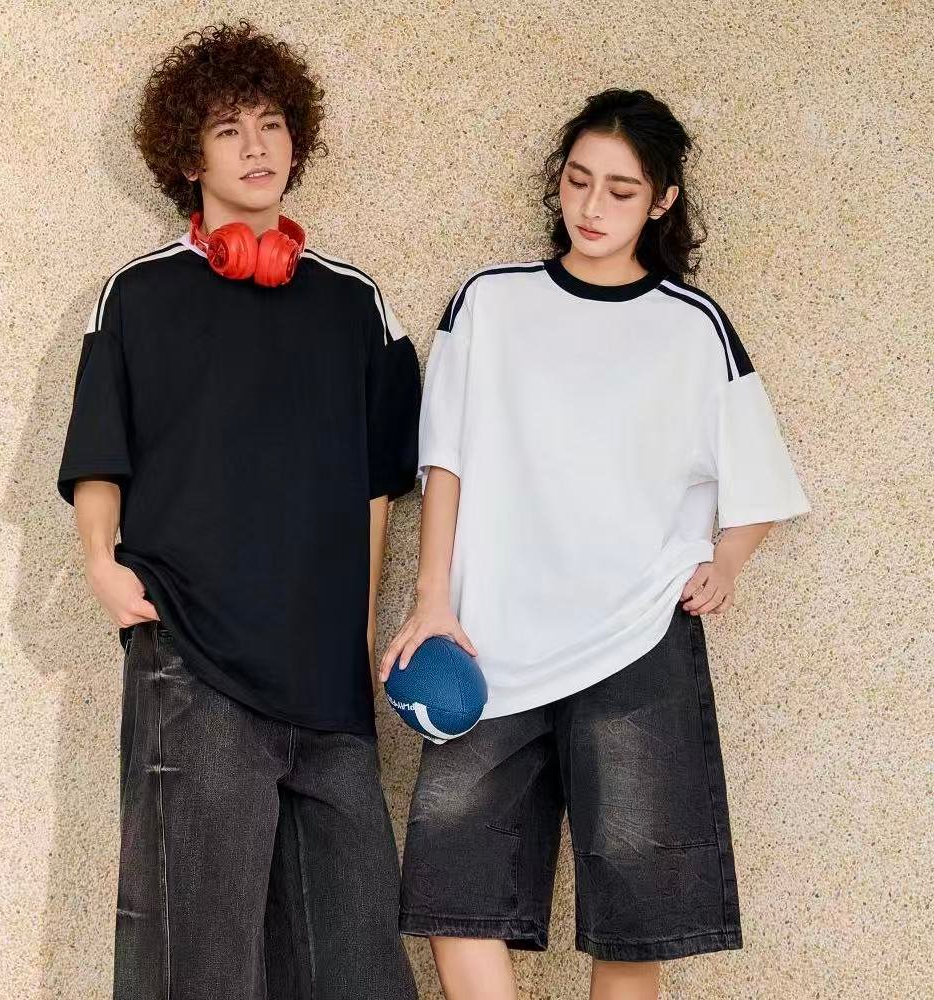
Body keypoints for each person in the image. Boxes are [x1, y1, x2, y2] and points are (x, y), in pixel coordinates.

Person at [379, 88, 810, 1000]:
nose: (592, 206)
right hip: (489, 641)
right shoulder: (491, 301)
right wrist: (431, 598)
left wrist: (726, 563)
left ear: (661, 201)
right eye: (578, 181)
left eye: (621, 190)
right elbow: (444, 461)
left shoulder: (692, 326)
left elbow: (760, 482)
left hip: (636, 640)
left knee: (635, 911)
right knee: (455, 891)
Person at [57, 21, 420, 1000]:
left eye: (271, 124)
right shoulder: (137, 295)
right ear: (190, 157)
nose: (257, 147)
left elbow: (378, 487)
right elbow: (100, 452)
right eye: (228, 130)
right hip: (195, 658)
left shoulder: (355, 303)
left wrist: (357, 634)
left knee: (355, 959)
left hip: (325, 677)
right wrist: (101, 565)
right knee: (199, 958)